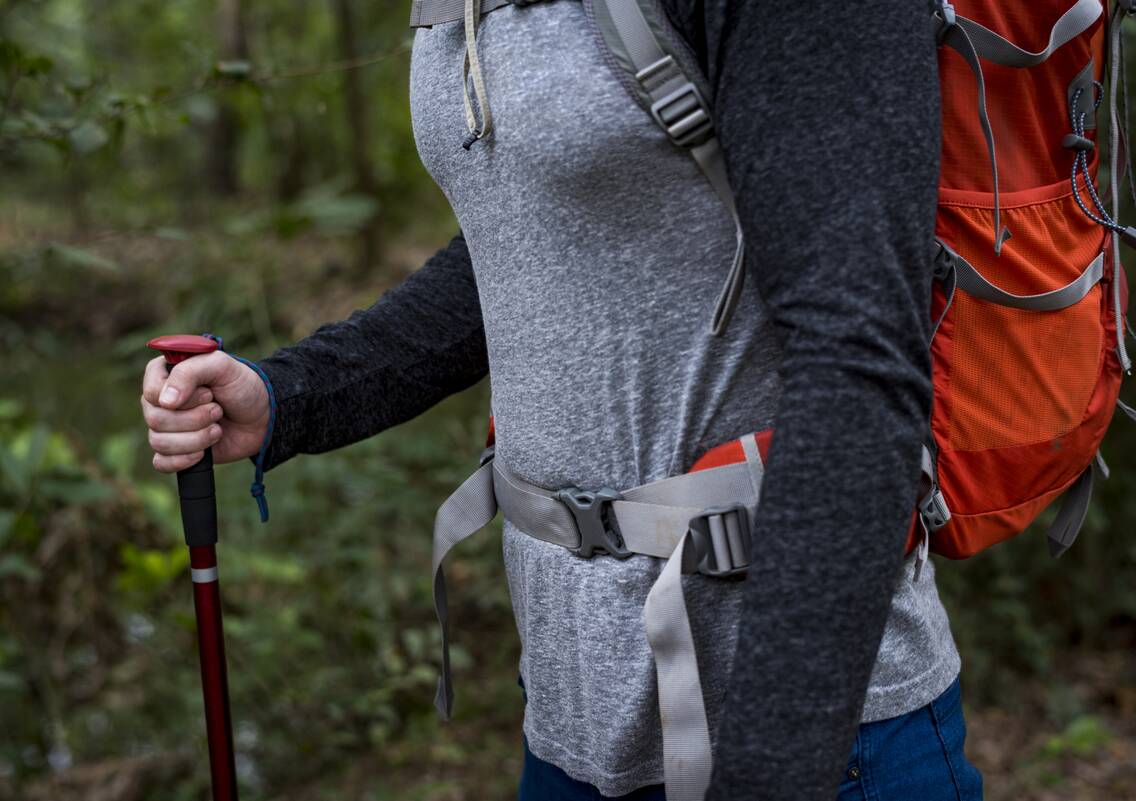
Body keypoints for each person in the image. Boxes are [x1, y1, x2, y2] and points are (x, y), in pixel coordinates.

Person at [141, 2, 982, 799]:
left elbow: (858, 362)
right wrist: (291, 393)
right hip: (573, 726)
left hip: (819, 743)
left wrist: (773, 772)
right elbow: (532, 245)